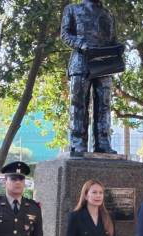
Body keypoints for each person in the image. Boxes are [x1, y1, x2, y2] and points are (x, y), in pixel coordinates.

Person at [60, 0, 118, 154]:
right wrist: (80, 43)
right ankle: (77, 142)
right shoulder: (72, 9)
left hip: (104, 64)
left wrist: (118, 47)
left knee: (104, 105)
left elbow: (112, 39)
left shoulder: (108, 14)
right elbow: (65, 34)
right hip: (80, 63)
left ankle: (103, 142)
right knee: (78, 105)